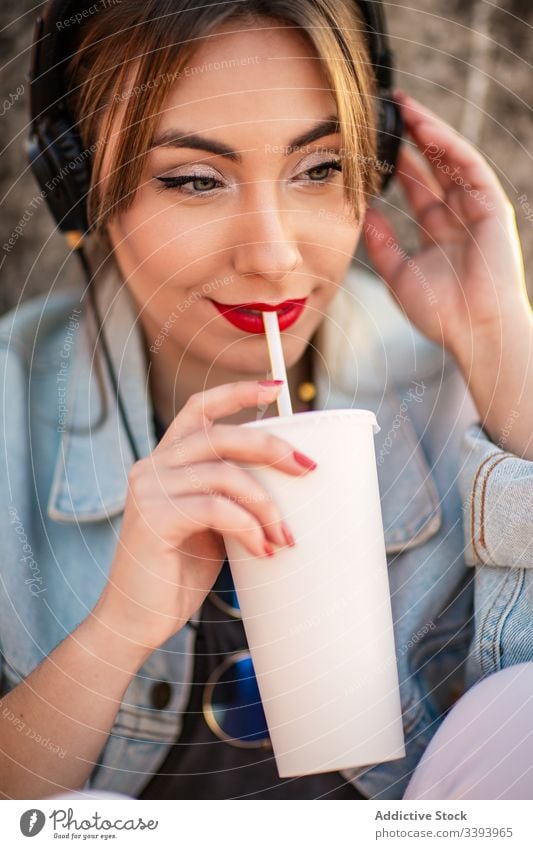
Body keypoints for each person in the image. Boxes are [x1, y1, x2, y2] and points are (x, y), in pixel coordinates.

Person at [1, 0, 532, 801]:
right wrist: (113, 631)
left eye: (319, 167)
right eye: (194, 179)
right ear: (78, 185)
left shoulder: (469, 383)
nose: (274, 254)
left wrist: (506, 359)